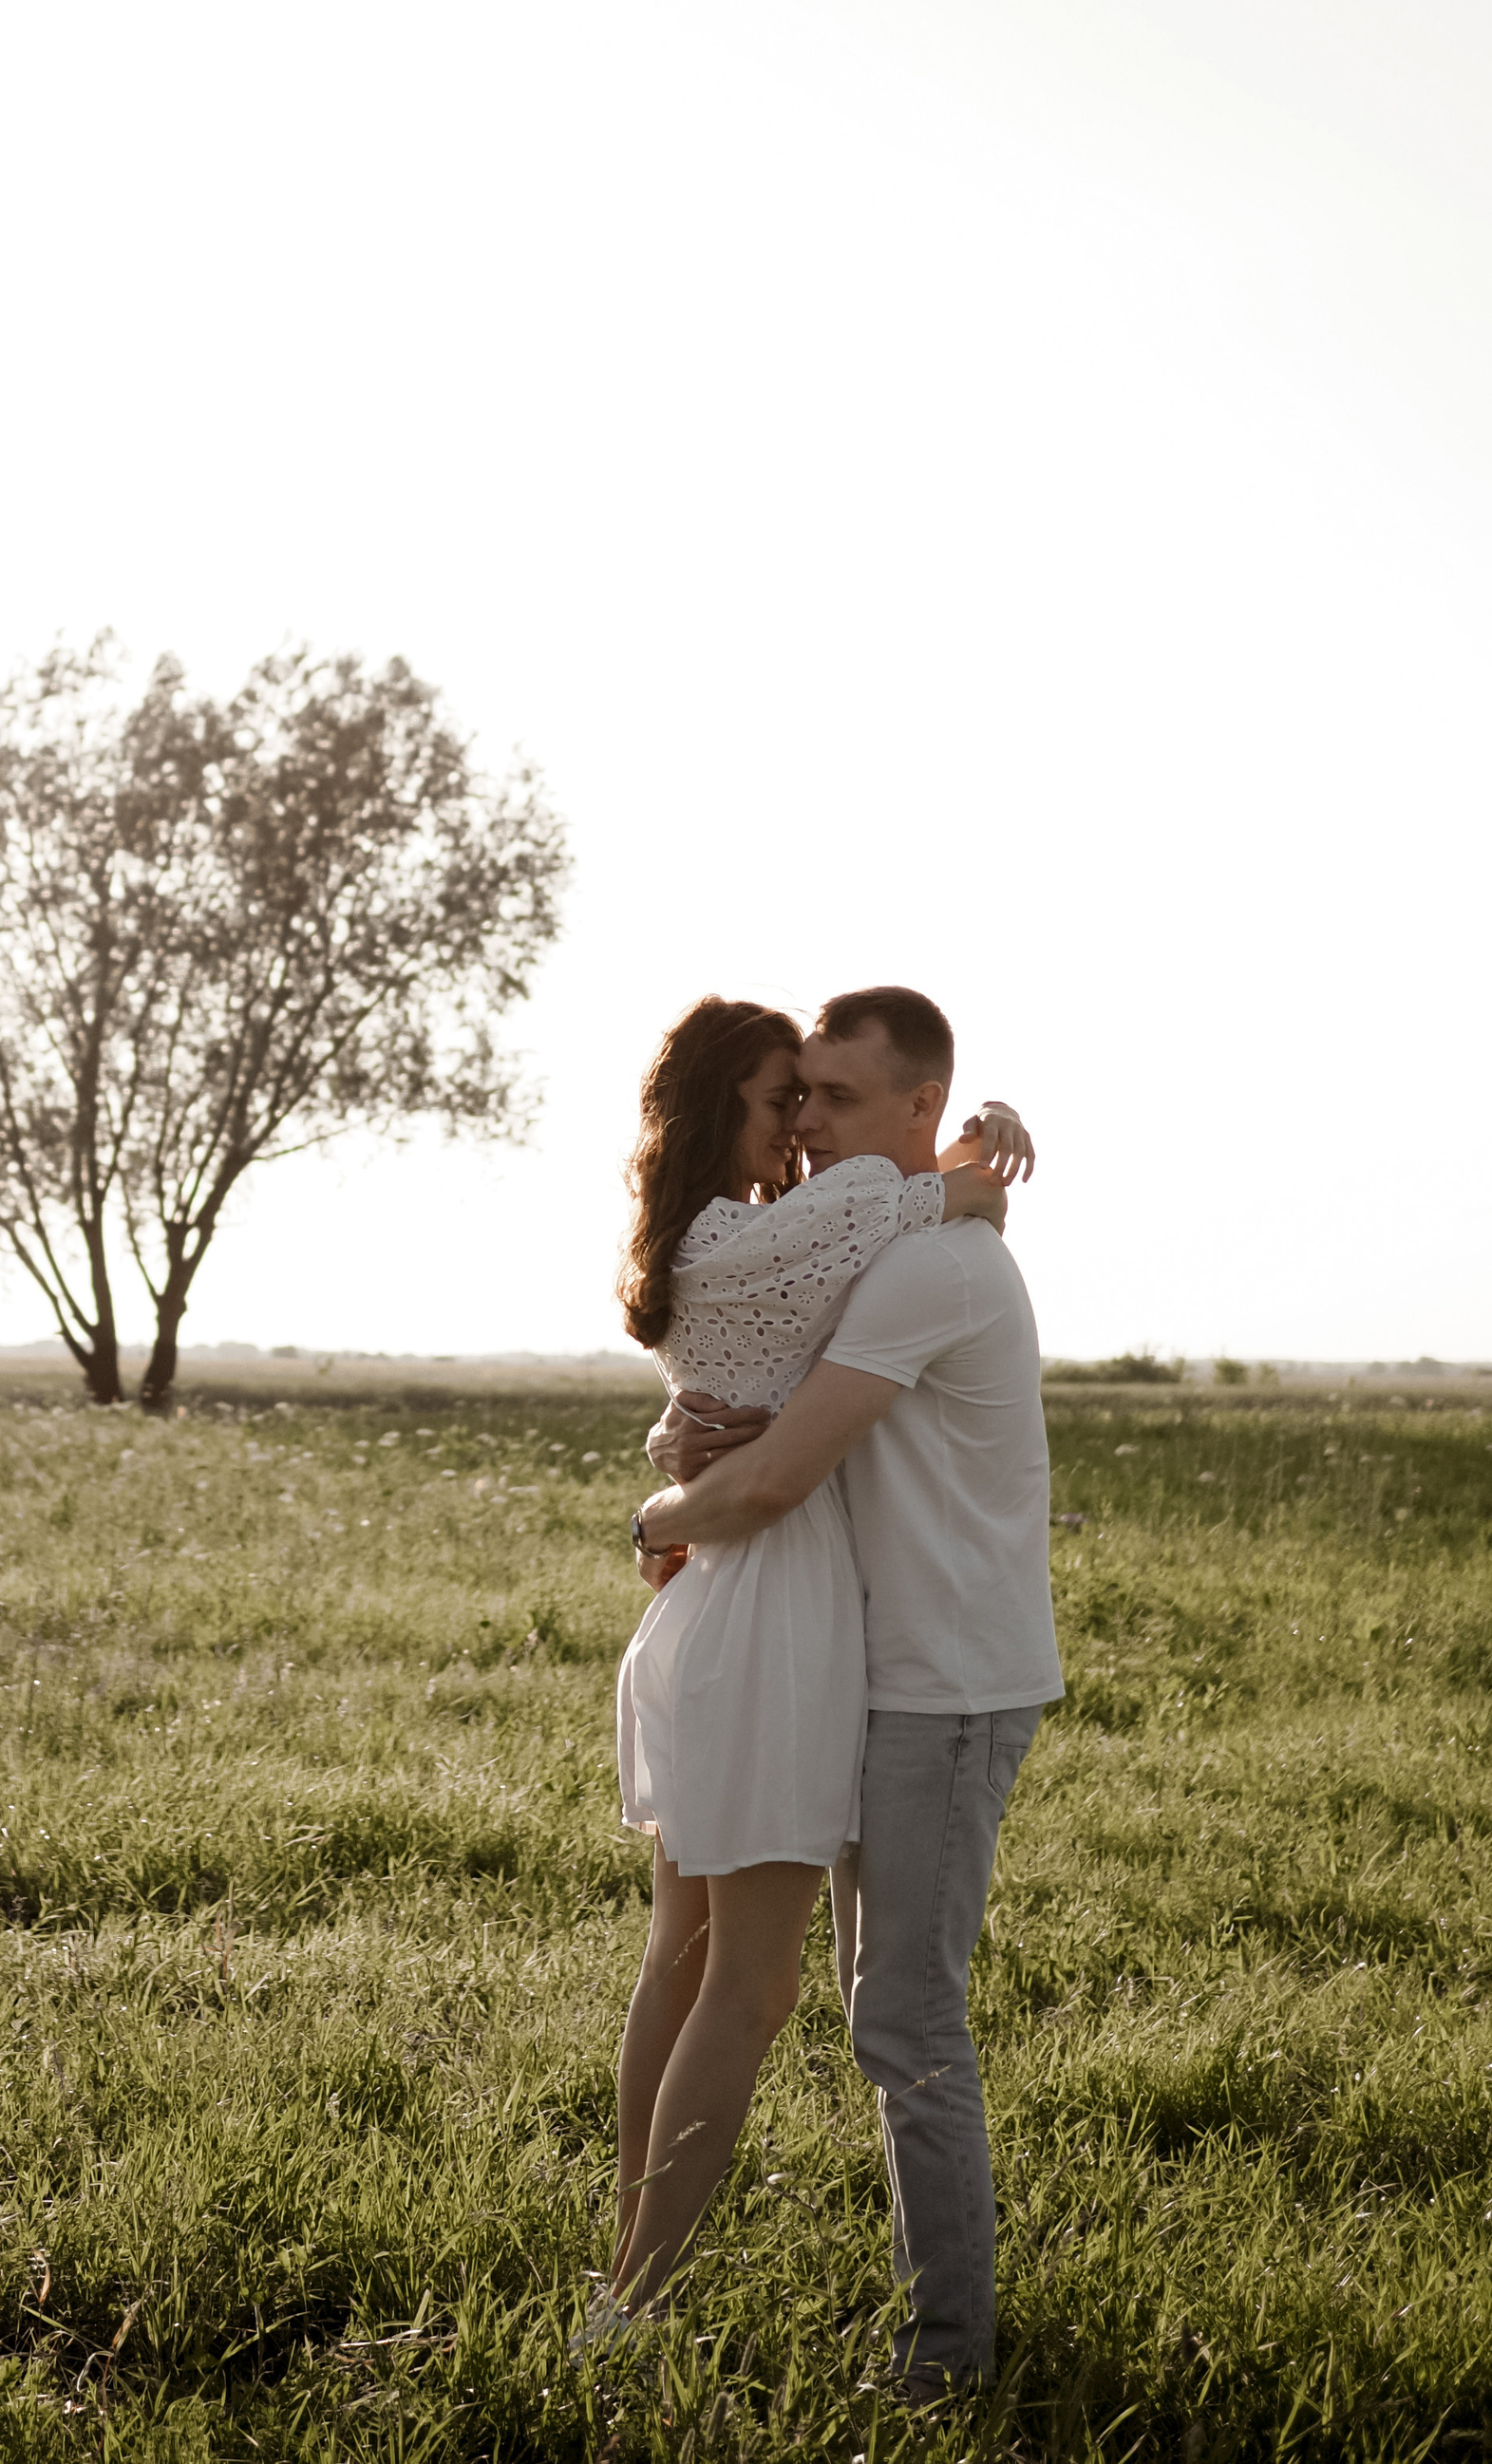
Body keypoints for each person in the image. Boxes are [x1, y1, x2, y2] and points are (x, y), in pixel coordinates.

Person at [638, 985, 1062, 2401]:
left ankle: (947, 2357)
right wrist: (681, 1435)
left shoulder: (923, 1264)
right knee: (828, 1996)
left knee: (901, 2017)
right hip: (867, 1665)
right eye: (795, 1094)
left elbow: (772, 1470)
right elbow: (738, 1375)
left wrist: (657, 1513)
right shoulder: (870, 1241)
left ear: (918, 1111)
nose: (808, 1120)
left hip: (942, 1681)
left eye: (831, 1096)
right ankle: (653, 2284)